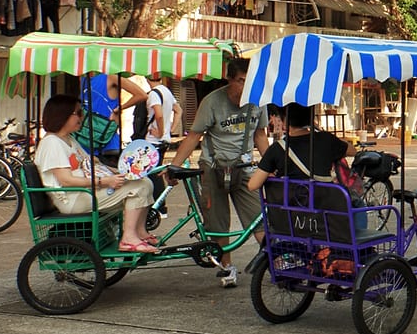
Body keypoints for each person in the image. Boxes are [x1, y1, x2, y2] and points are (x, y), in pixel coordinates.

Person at [174, 58, 269, 289]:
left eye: (250, 82)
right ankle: (226, 266)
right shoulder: (212, 102)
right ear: (230, 80)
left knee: (259, 218)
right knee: (218, 223)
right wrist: (174, 165)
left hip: (244, 167)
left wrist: (272, 167)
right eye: (240, 81)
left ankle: (273, 262)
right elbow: (194, 136)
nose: (244, 87)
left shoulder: (259, 101)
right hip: (213, 166)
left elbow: (260, 136)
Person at [31, 95, 158, 253]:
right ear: (62, 115)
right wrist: (104, 182)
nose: (82, 118)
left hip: (85, 193)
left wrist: (122, 173)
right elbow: (66, 180)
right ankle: (128, 238)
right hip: (74, 199)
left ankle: (139, 232)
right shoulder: (52, 143)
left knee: (143, 182)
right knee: (139, 188)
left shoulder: (68, 139)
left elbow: (92, 163)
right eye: (78, 113)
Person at [246, 102, 351, 191]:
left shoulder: (277, 148)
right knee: (356, 201)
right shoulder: (327, 139)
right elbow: (353, 151)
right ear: (311, 117)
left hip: (291, 209)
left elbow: (252, 185)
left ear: (284, 120)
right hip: (324, 207)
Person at [144, 70, 178, 143]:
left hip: (153, 139)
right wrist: (171, 130)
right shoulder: (167, 91)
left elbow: (159, 115)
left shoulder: (153, 94)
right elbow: (178, 110)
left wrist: (160, 133)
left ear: (147, 79)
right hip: (166, 138)